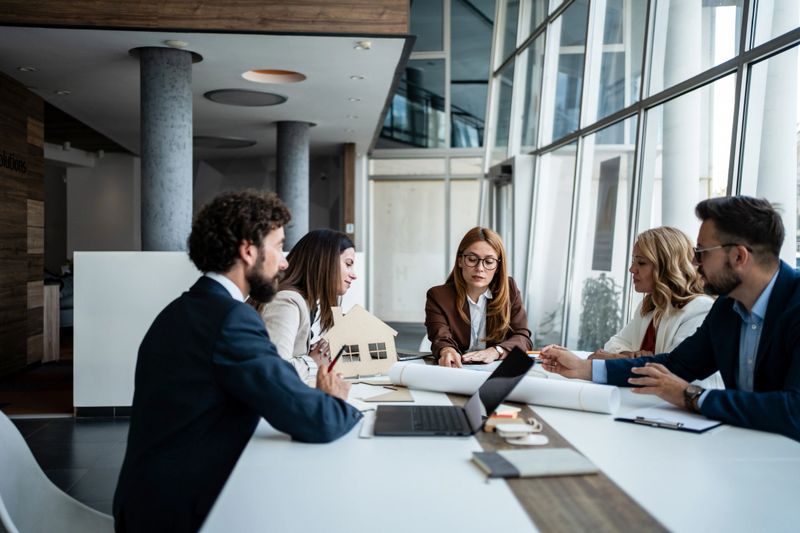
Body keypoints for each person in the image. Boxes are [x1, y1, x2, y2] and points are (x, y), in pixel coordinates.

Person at [113, 191, 362, 533]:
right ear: (248, 251)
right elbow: (314, 419)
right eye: (278, 247)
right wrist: (334, 399)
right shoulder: (230, 320)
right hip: (180, 513)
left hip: (149, 500)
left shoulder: (184, 309)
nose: (285, 262)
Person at [540, 196, 800, 441]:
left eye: (702, 253)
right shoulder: (727, 307)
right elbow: (677, 365)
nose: (695, 263)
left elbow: (794, 409)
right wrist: (583, 368)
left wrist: (691, 396)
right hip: (747, 448)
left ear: (739, 256)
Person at [257, 229, 357, 381]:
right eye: (348, 264)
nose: (353, 274)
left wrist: (312, 352)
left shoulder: (302, 300)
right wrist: (313, 362)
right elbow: (275, 371)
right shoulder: (287, 301)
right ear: (325, 262)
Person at [426, 226, 532, 367]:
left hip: (495, 371)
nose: (480, 268)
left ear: (498, 267)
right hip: (458, 369)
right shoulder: (438, 296)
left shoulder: (509, 289)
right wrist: (447, 350)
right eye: (472, 259)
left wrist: (496, 351)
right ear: (460, 261)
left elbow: (523, 337)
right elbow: (440, 338)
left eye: (488, 262)